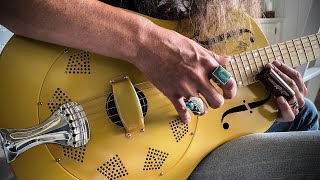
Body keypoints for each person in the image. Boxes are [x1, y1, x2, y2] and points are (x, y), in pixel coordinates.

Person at [0, 0, 319, 179]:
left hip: (178, 125)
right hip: (92, 117)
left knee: (304, 113)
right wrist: (147, 43)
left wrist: (256, 85)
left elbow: (213, 69)